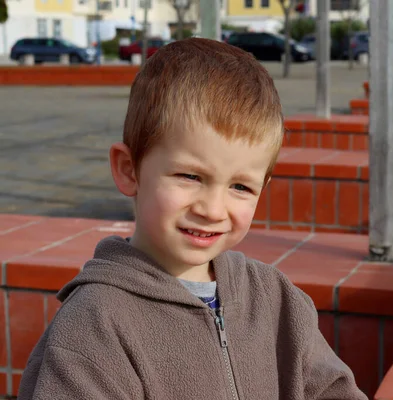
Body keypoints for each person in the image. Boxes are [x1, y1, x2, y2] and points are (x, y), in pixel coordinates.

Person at [18, 38, 367, 400]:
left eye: (241, 187)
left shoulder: (276, 299)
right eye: (190, 177)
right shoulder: (95, 324)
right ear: (129, 170)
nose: (212, 210)